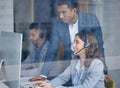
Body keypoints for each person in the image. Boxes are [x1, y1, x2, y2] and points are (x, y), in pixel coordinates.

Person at [29, 0, 108, 81]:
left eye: (64, 12)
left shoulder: (91, 19)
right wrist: (43, 74)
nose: (60, 16)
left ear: (74, 10)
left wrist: (103, 71)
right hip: (69, 69)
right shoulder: (58, 23)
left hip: (89, 67)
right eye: (59, 12)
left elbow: (99, 46)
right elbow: (52, 50)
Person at [34, 30, 105, 88]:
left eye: (77, 42)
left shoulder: (97, 64)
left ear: (87, 45)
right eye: (74, 42)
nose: (73, 45)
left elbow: (85, 86)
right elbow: (63, 78)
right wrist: (48, 85)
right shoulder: (75, 62)